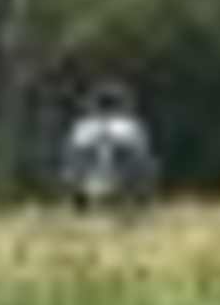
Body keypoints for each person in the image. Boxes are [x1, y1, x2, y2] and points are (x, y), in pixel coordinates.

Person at [57, 80, 157, 216]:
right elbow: (142, 152)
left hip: (90, 176)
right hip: (122, 176)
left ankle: (80, 207)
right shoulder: (131, 126)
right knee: (148, 166)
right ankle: (140, 204)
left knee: (70, 168)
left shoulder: (83, 126)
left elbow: (72, 152)